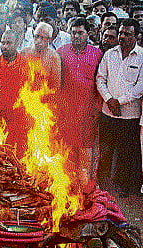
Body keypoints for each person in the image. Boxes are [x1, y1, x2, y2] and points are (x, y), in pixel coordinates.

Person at [96, 18, 143, 197]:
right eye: (121, 33)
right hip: (107, 113)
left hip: (129, 116)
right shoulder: (110, 54)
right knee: (105, 150)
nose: (122, 37)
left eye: (127, 34)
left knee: (125, 153)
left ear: (136, 36)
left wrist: (119, 102)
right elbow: (100, 79)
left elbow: (139, 88)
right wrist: (109, 100)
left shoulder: (142, 56)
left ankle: (122, 188)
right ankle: (102, 186)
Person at [57, 17, 103, 182]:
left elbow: (100, 83)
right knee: (67, 147)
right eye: (73, 32)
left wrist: (97, 108)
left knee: (86, 149)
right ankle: (66, 183)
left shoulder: (97, 53)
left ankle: (86, 184)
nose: (76, 36)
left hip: (88, 110)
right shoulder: (61, 52)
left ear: (88, 33)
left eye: (80, 33)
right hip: (66, 109)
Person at [0, 29, 30, 157]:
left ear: (17, 44)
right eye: (3, 43)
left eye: (9, 43)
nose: (5, 46)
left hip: (19, 120)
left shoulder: (26, 65)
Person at [21, 22, 62, 91]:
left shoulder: (54, 58)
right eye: (37, 36)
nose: (38, 41)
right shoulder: (24, 53)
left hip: (43, 97)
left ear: (49, 40)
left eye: (42, 38)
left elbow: (55, 87)